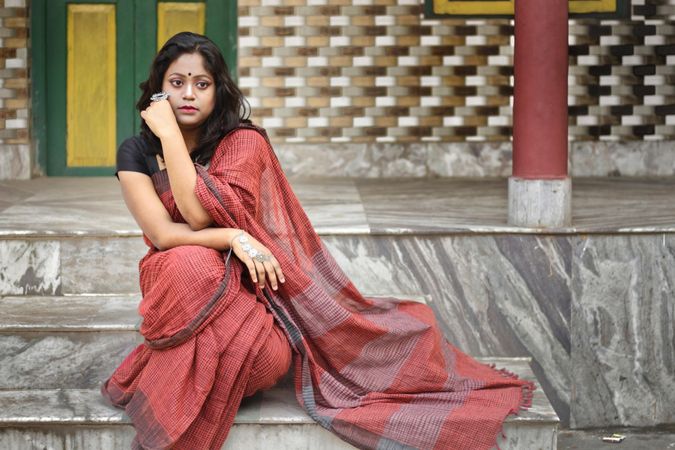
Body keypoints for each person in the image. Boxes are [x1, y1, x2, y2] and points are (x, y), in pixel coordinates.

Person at [103, 31, 534, 450]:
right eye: (176, 84)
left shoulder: (242, 143)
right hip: (176, 279)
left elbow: (198, 211)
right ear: (159, 90)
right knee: (189, 262)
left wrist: (175, 146)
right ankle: (195, 383)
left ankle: (164, 376)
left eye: (202, 84)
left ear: (219, 90)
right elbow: (164, 233)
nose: (189, 95)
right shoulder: (136, 152)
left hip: (244, 287)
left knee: (266, 358)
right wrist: (234, 235)